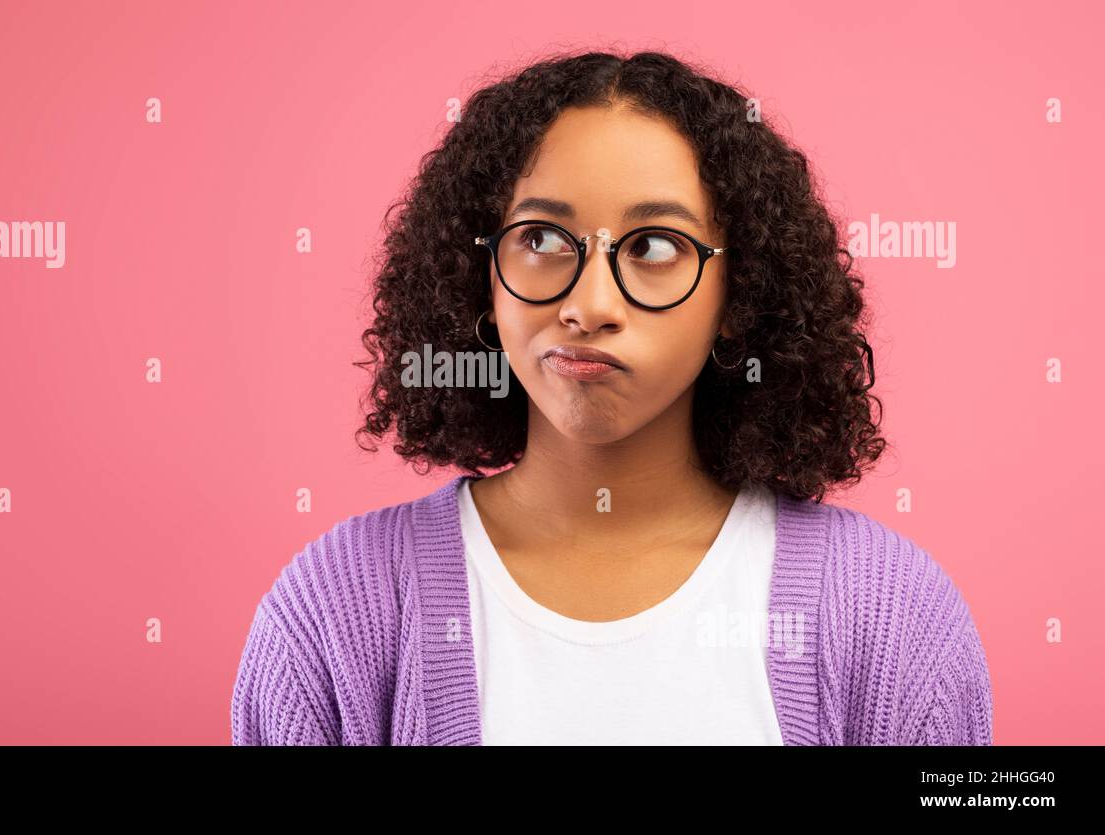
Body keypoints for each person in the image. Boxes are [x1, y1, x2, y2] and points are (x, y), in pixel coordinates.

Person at [230, 49, 993, 745]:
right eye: (540, 240)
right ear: (482, 275)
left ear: (740, 292)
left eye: (655, 247)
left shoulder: (894, 622)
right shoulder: (332, 616)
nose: (590, 304)